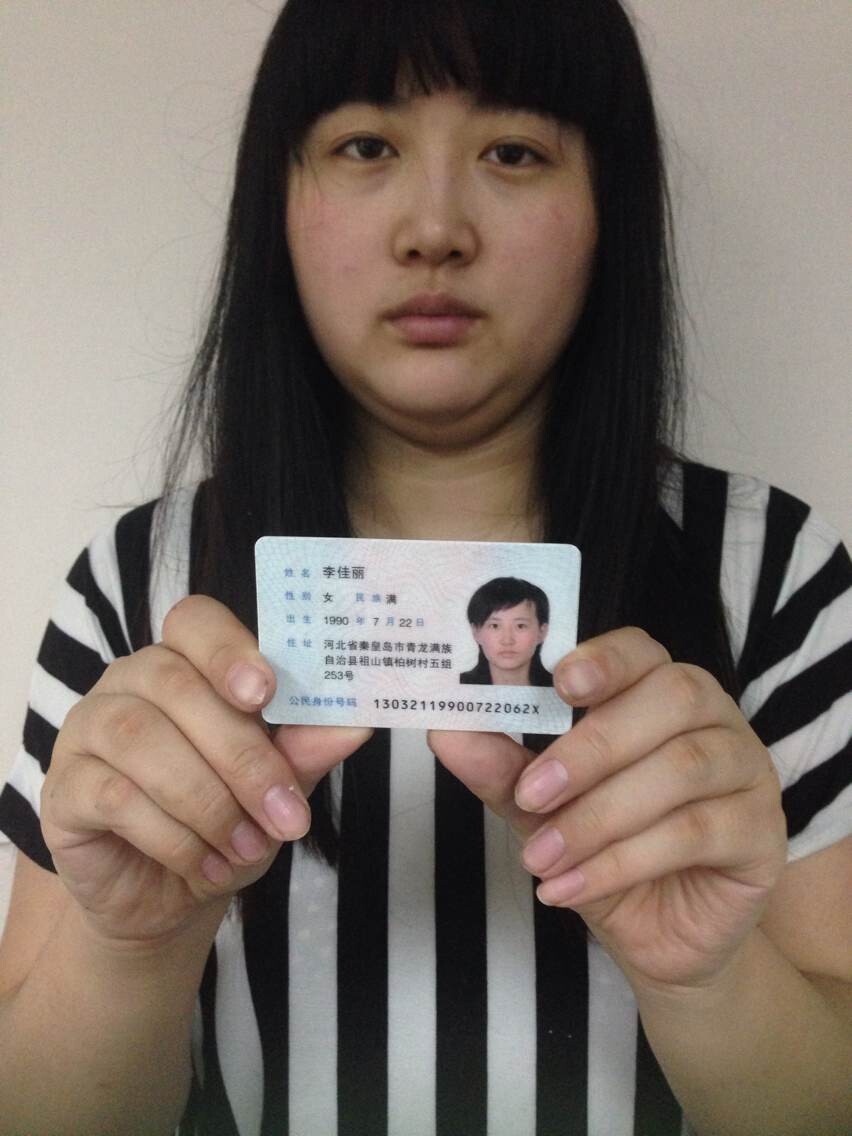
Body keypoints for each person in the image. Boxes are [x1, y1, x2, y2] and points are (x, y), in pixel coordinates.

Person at [0, 2, 849, 1133]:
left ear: (609, 204)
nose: (436, 228)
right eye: (366, 144)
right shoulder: (139, 582)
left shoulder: (770, 567)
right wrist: (127, 954)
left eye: (515, 150)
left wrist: (713, 981)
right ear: (278, 199)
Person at [460, 577, 553, 686]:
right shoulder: (457, 684)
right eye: (495, 626)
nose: (507, 640)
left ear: (542, 632)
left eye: (520, 626)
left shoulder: (559, 686)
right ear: (476, 632)